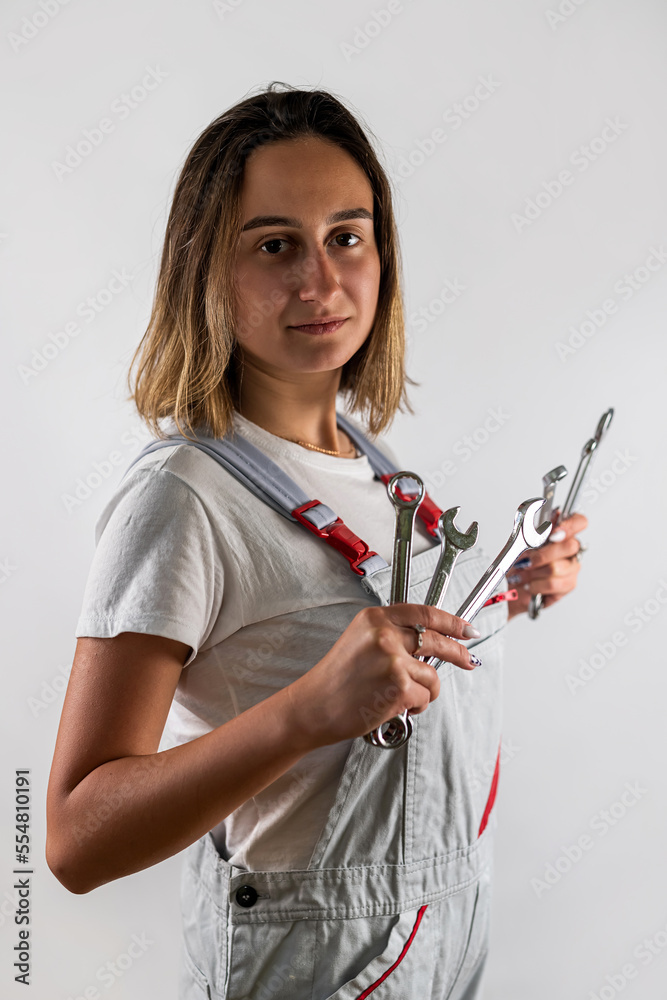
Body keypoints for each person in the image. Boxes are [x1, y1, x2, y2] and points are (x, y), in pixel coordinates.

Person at [46, 83, 587, 999]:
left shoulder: (381, 471)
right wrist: (306, 709)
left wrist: (515, 587)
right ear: (206, 270)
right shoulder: (181, 496)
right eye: (273, 246)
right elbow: (72, 840)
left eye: (346, 236)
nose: (321, 282)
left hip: (445, 956)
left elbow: (389, 668)